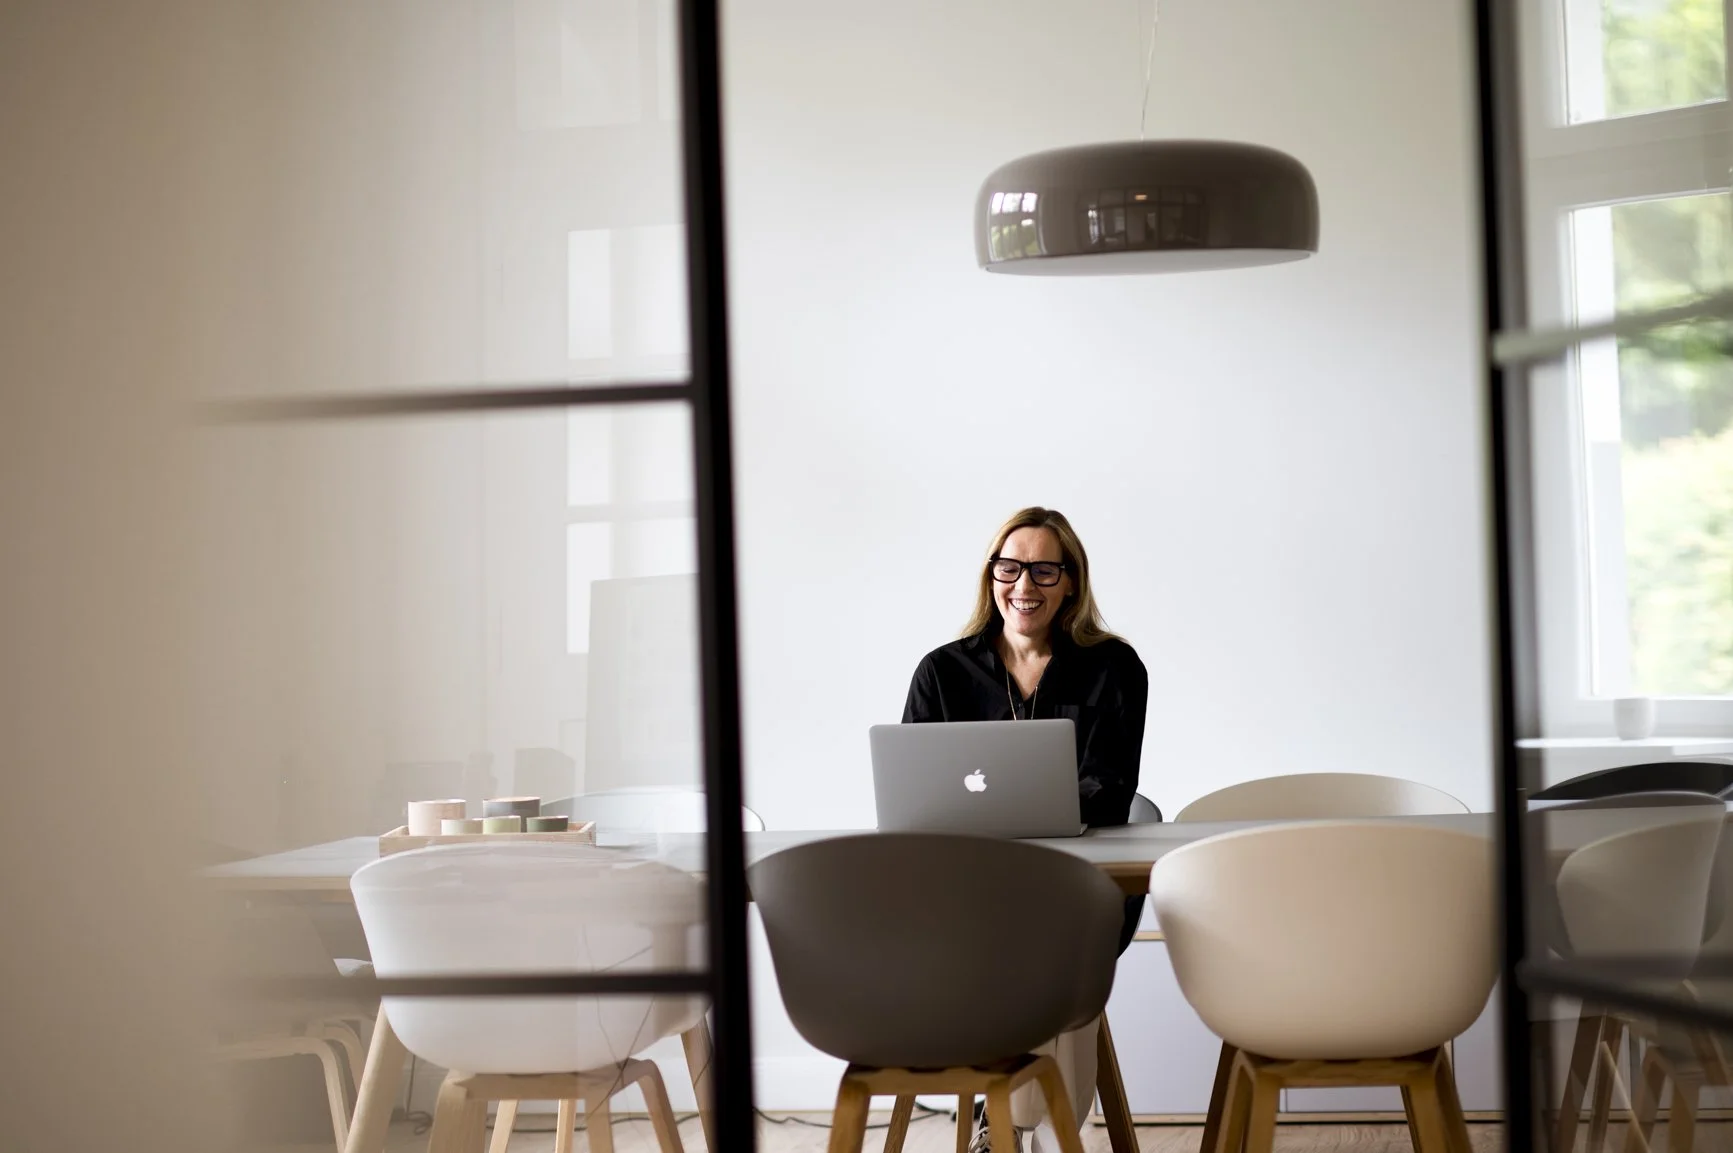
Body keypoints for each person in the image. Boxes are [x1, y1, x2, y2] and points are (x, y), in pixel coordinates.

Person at [902, 506, 1150, 1153]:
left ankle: (1009, 1123)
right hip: (969, 894)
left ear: (1070, 581)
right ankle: (1034, 1124)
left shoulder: (1114, 668)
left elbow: (1109, 790)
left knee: (1046, 928)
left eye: (1044, 569)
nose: (1024, 584)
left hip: (1080, 885)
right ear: (990, 576)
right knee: (1016, 932)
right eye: (1009, 566)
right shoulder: (940, 673)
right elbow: (913, 802)